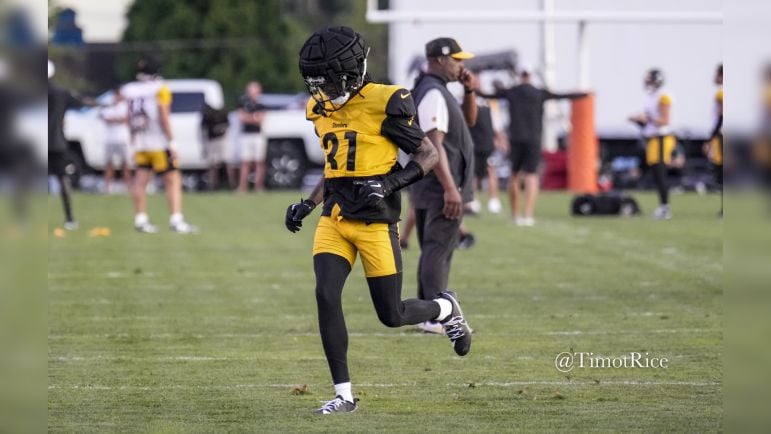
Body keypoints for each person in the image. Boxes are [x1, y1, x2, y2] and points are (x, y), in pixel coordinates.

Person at [284, 26, 472, 415]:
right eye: (317, 81)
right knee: (325, 294)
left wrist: (387, 184)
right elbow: (335, 168)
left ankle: (444, 308)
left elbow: (428, 155)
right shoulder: (322, 108)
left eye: (329, 80)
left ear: (350, 73)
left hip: (374, 223)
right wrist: (308, 203)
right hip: (335, 218)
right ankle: (344, 395)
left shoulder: (387, 101)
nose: (322, 89)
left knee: (392, 315)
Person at [411, 37, 478, 335]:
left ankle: (428, 312)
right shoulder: (433, 92)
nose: (461, 66)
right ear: (440, 60)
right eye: (457, 60)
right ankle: (435, 316)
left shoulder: (438, 90)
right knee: (438, 250)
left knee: (434, 249)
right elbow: (433, 143)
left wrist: (470, 90)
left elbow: (470, 121)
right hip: (440, 187)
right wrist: (452, 189)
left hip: (435, 185)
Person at [477, 64, 586, 225]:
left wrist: (472, 89)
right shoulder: (538, 93)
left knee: (514, 175)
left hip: (516, 139)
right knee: (531, 175)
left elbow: (490, 95)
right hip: (533, 139)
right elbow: (561, 96)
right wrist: (582, 94)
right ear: (531, 76)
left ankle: (515, 214)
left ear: (520, 75)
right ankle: (528, 214)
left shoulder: (512, 92)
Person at [122, 57, 197, 233]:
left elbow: (128, 117)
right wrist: (172, 142)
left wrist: (132, 141)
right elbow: (163, 116)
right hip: (158, 142)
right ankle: (176, 220)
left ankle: (140, 219)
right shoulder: (160, 89)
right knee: (172, 180)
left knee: (140, 181)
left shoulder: (130, 90)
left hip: (140, 142)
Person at [628, 68, 675, 220]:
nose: (647, 82)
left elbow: (665, 120)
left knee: (660, 174)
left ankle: (665, 208)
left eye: (649, 79)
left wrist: (645, 119)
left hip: (661, 138)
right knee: (655, 174)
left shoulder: (663, 96)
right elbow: (650, 121)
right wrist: (639, 120)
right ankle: (663, 206)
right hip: (653, 139)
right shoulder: (652, 96)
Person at [48, 60, 90, 230]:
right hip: (56, 142)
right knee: (63, 179)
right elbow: (81, 103)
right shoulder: (61, 92)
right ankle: (70, 219)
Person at [98, 89, 131, 194]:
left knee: (125, 164)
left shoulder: (126, 106)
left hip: (123, 139)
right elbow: (105, 118)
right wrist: (117, 119)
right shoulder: (108, 106)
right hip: (110, 139)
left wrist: (115, 119)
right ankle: (107, 187)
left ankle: (127, 187)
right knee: (109, 164)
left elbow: (126, 119)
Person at [236, 81, 267, 192]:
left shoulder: (261, 105)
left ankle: (259, 187)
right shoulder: (243, 103)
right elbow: (241, 117)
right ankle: (242, 186)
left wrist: (249, 117)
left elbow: (260, 120)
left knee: (259, 162)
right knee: (245, 162)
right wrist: (253, 117)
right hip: (245, 136)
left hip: (257, 135)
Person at [703, 63, 723, 216]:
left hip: (721, 135)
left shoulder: (721, 93)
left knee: (722, 172)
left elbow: (721, 117)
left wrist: (710, 139)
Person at [201, 101, 230, 190]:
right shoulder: (206, 116)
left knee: (223, 162)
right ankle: (212, 184)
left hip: (220, 139)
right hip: (212, 140)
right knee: (212, 164)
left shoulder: (221, 114)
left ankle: (228, 183)